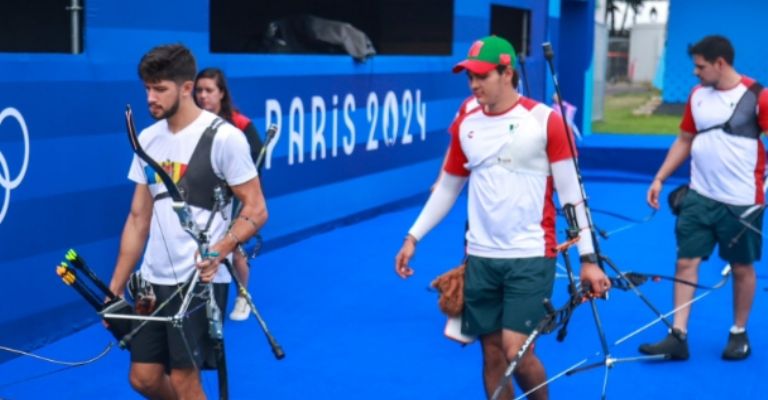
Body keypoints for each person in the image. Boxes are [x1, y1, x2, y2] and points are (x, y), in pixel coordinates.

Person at [394, 36, 610, 400]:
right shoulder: (466, 124)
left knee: (516, 352)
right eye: (470, 77)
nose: (474, 84)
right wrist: (412, 237)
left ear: (507, 73)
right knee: (492, 354)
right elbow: (448, 188)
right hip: (481, 259)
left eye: (482, 76)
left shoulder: (545, 121)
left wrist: (588, 260)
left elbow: (572, 196)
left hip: (531, 256)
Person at [108, 44, 267, 399]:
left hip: (199, 281)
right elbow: (138, 218)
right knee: (144, 379)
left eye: (159, 89)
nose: (151, 98)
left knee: (184, 380)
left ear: (186, 87)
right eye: (147, 88)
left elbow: (256, 209)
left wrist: (220, 250)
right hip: (153, 280)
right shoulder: (147, 139)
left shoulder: (225, 138)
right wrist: (114, 288)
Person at [639, 35, 768, 361]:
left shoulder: (758, 97)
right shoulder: (697, 95)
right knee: (685, 262)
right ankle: (678, 335)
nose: (695, 72)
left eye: (700, 66)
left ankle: (738, 332)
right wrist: (659, 177)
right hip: (699, 196)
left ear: (720, 63)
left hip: (742, 202)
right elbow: (685, 139)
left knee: (741, 267)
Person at [194, 67, 264, 321]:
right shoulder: (192, 123)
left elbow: (256, 162)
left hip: (235, 197)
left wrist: (237, 191)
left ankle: (243, 296)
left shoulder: (240, 124)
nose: (203, 96)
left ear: (221, 93)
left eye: (209, 90)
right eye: (199, 90)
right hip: (204, 199)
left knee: (235, 249)